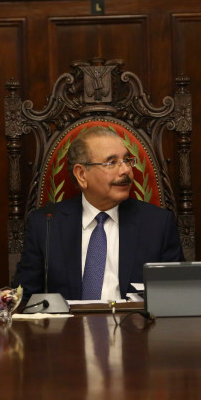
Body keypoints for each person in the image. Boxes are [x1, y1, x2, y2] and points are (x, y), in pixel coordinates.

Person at [14, 126, 184, 301]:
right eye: (111, 162)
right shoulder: (46, 225)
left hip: (134, 319)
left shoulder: (158, 224)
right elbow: (24, 299)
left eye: (127, 160)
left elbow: (177, 295)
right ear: (82, 174)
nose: (126, 170)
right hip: (68, 319)